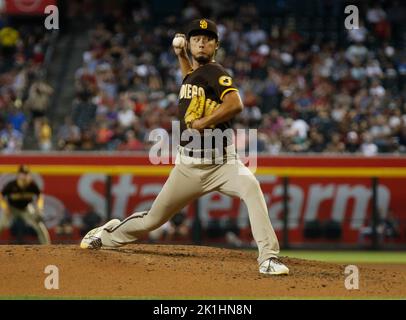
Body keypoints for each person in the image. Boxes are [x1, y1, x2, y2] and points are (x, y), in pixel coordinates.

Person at [81, 19, 289, 275]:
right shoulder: (195, 74)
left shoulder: (217, 73)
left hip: (223, 163)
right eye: (196, 38)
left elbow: (236, 104)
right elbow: (190, 79)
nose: (201, 42)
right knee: (153, 220)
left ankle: (268, 258)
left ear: (216, 45)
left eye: (208, 38)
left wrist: (204, 121)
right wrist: (181, 56)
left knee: (252, 189)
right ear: (189, 44)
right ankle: (109, 234)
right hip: (188, 166)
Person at [0, 165, 50, 244]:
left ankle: (47, 246)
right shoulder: (11, 185)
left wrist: (39, 208)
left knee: (39, 225)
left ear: (29, 175)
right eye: (22, 174)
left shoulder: (31, 185)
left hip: (26, 208)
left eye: (26, 174)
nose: (24, 176)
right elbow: (1, 196)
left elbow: (39, 196)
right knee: (1, 223)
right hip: (12, 208)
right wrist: (5, 207)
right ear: (18, 175)